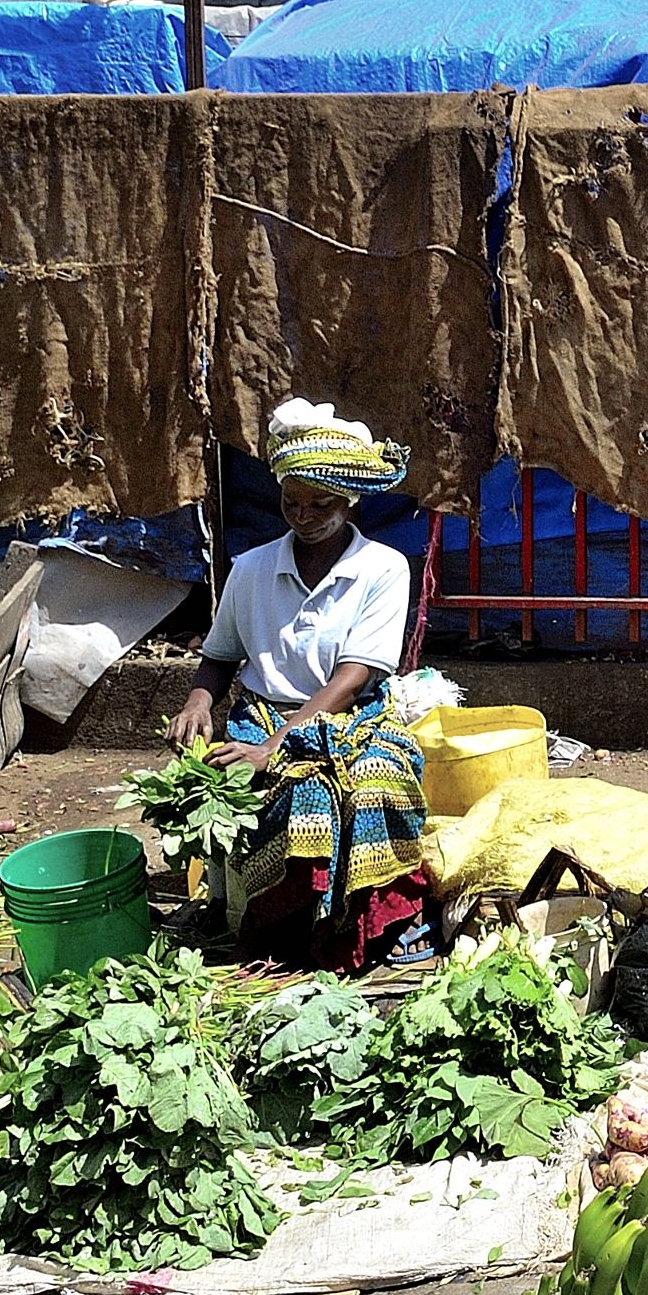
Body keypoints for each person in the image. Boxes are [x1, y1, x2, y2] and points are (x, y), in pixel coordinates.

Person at [166, 398, 428, 965]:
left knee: (373, 781)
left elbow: (354, 678)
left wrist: (277, 744)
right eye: (292, 502)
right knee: (293, 794)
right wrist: (196, 702)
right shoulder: (252, 567)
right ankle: (275, 929)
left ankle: (365, 929)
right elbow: (219, 657)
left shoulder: (384, 568)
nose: (304, 515)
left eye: (320, 504)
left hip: (350, 717)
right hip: (260, 712)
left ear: (349, 502)